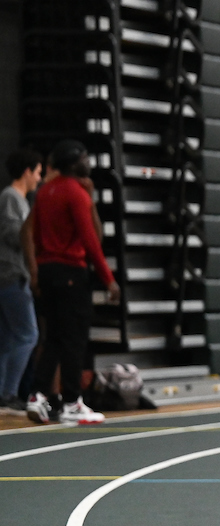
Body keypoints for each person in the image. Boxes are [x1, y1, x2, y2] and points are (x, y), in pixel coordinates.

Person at [24, 140, 119, 426]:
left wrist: (39, 268)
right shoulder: (75, 193)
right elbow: (91, 240)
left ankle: (38, 394)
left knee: (54, 336)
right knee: (75, 338)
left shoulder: (45, 191)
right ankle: (72, 401)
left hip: (49, 268)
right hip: (70, 271)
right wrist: (108, 278)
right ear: (74, 161)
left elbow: (36, 234)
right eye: (85, 157)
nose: (88, 162)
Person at [0, 149, 43, 414]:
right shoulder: (11, 198)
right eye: (38, 172)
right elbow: (13, 234)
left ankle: (5, 392)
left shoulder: (19, 200)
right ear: (27, 171)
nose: (39, 178)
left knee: (8, 338)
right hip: (11, 274)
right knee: (28, 334)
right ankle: (9, 393)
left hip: (12, 274)